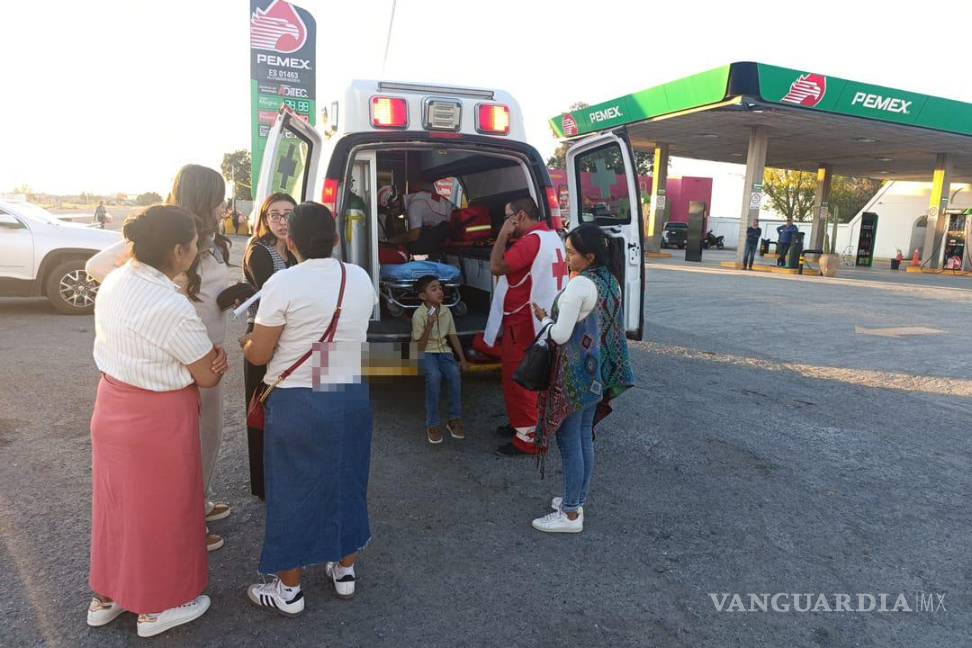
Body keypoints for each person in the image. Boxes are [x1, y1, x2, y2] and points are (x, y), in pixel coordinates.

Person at [87, 205, 227, 637]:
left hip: (112, 403)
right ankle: (157, 606)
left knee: (117, 508)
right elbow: (205, 373)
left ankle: (107, 596)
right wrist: (218, 361)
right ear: (180, 251)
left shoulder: (115, 280)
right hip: (158, 416)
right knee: (165, 510)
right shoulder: (170, 304)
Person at [85, 164, 238, 552]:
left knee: (208, 437)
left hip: (205, 349)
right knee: (184, 448)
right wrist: (160, 294)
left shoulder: (210, 239)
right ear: (204, 198)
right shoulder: (165, 234)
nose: (225, 206)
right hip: (180, 359)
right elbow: (96, 266)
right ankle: (186, 525)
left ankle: (197, 503)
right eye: (219, 197)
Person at [240, 202, 376, 616]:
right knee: (347, 479)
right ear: (336, 239)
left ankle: (288, 589)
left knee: (293, 489)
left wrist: (246, 341)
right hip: (348, 388)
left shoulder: (283, 283)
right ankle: (345, 569)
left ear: (290, 241)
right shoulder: (358, 276)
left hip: (298, 397)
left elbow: (259, 354)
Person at [529, 224, 635, 533]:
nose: (566, 257)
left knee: (569, 438)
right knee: (584, 435)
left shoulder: (579, 286)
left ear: (589, 256)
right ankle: (576, 499)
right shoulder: (609, 280)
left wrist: (544, 320)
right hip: (597, 373)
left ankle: (571, 514)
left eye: (572, 253)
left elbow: (561, 335)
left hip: (574, 376)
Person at [485, 197, 567, 457]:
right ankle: (521, 425)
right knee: (529, 378)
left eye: (507, 218)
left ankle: (527, 439)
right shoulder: (551, 237)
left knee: (519, 380)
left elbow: (496, 266)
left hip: (523, 324)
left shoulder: (530, 241)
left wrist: (501, 236)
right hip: (539, 321)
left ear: (519, 216)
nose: (505, 222)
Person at [242, 192, 298, 498]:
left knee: (287, 410)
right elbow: (273, 298)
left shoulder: (294, 250)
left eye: (288, 214)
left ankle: (286, 475)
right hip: (264, 334)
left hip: (291, 337)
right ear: (264, 219)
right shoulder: (259, 252)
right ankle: (263, 484)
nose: (281, 221)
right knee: (260, 409)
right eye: (273, 215)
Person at [412, 275, 469, 444]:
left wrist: (463, 359)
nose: (439, 292)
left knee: (454, 374)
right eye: (434, 288)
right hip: (426, 352)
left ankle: (454, 419)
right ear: (423, 296)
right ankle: (433, 423)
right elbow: (419, 348)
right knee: (434, 377)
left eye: (440, 288)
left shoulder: (446, 311)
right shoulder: (419, 314)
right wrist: (429, 325)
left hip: (444, 351)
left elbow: (453, 336)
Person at [390, 176, 453, 255]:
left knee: (413, 247)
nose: (394, 213)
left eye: (393, 210)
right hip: (446, 223)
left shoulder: (414, 206)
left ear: (396, 203)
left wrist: (394, 240)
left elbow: (414, 236)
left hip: (448, 226)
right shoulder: (416, 197)